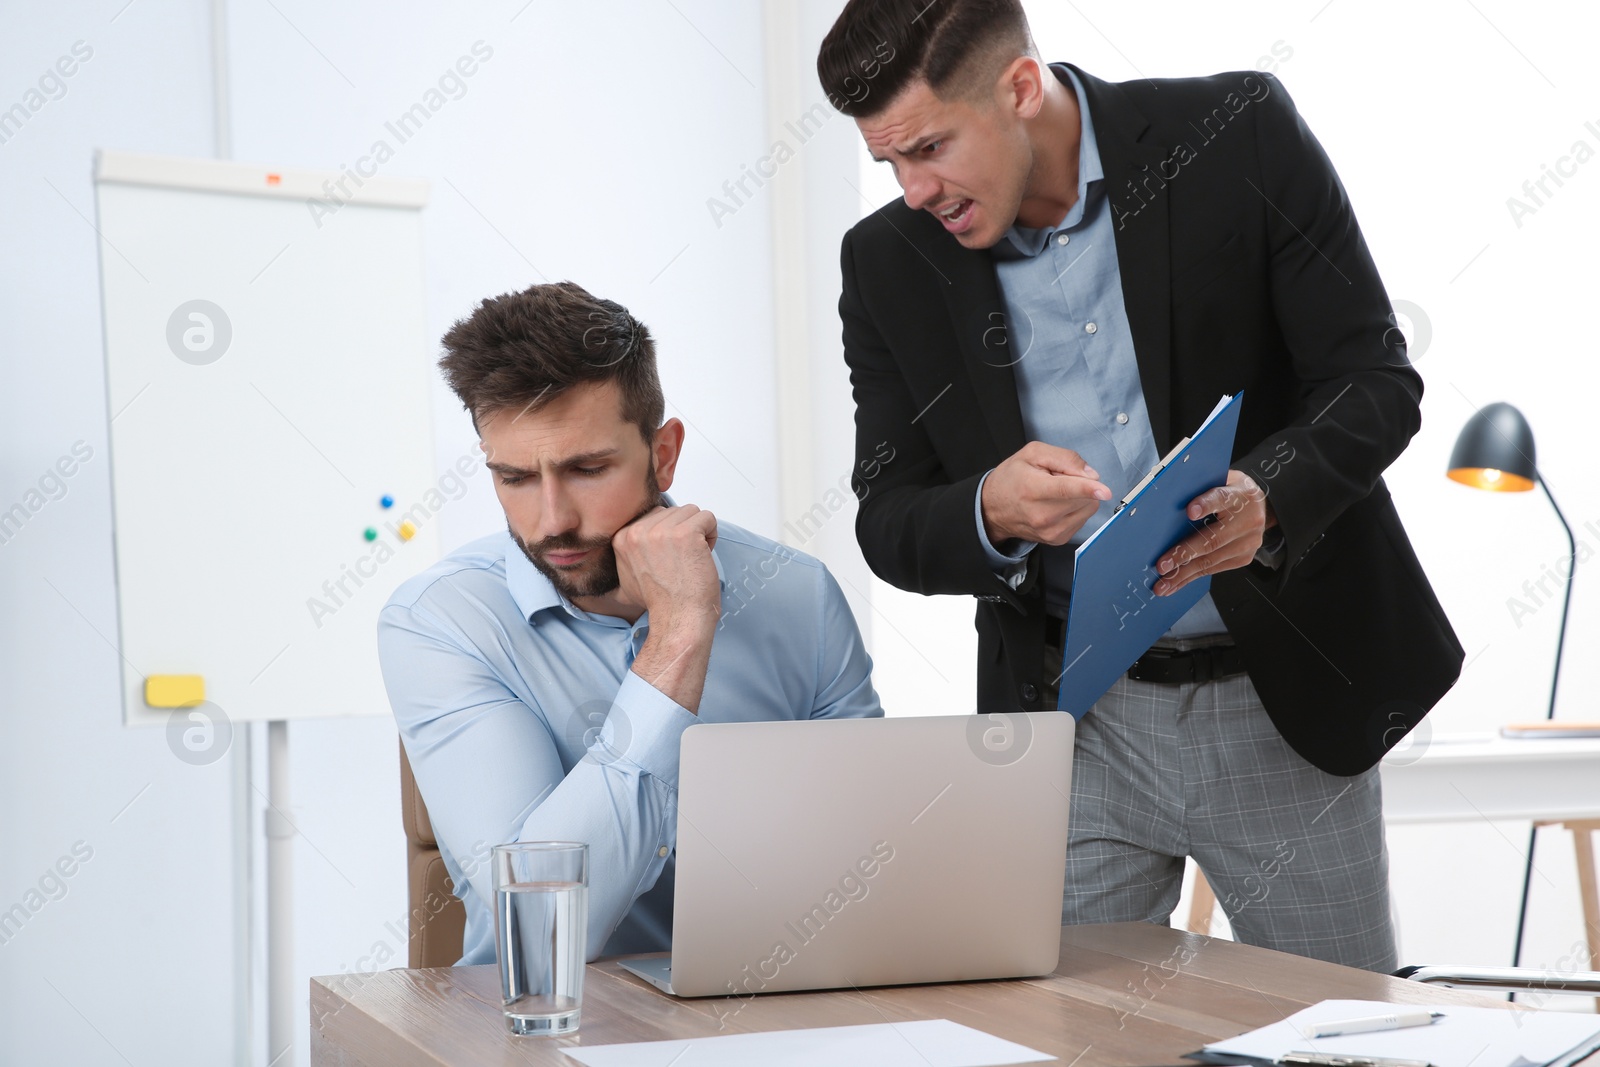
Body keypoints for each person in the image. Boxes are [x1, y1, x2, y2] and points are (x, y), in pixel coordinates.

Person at [816, 0, 1462, 971]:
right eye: (888, 164)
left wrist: (1266, 492)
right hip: (1074, 724)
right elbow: (887, 516)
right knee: (1066, 1040)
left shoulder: (1235, 134)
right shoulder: (884, 265)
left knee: (1342, 1034)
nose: (912, 190)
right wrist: (986, 505)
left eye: (929, 149)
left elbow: (1373, 379)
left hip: (1280, 701)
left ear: (1019, 88)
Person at [378, 281, 882, 964]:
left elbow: (875, 864)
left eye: (586, 469)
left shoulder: (798, 596)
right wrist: (679, 635)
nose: (551, 519)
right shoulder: (441, 623)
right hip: (554, 1032)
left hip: (783, 1008)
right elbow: (542, 929)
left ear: (663, 453)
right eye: (515, 478)